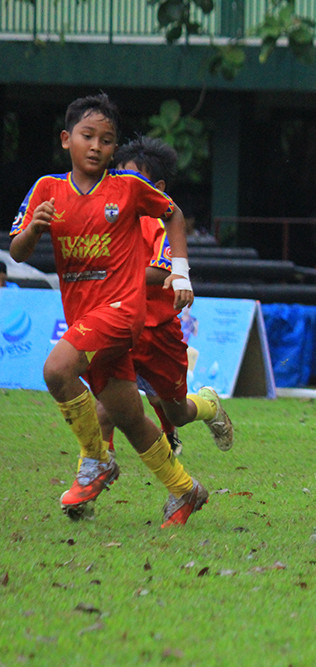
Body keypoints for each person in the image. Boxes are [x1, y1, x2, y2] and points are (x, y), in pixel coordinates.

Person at [8, 93, 207, 527]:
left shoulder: (129, 187)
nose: (96, 145)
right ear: (67, 140)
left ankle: (96, 461)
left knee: (57, 370)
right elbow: (18, 252)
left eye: (107, 139)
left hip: (122, 310)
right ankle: (184, 490)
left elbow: (173, 216)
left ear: (115, 149)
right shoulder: (47, 189)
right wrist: (34, 229)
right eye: (88, 136)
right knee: (129, 417)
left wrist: (182, 273)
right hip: (85, 315)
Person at [94, 135, 234, 458]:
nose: (121, 184)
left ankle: (208, 405)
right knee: (105, 402)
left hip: (158, 334)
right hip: (119, 325)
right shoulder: (108, 218)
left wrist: (116, 278)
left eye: (131, 178)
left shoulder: (157, 222)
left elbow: (162, 270)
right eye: (118, 176)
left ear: (155, 186)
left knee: (177, 412)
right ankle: (100, 461)